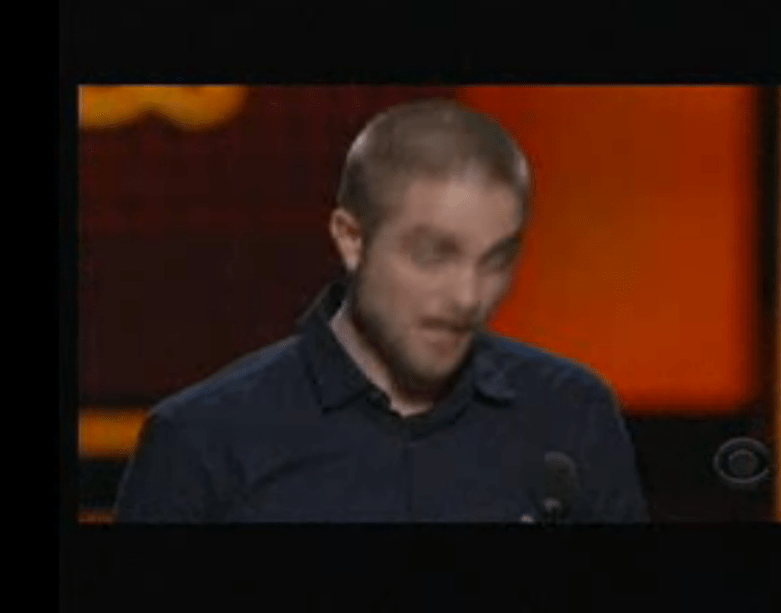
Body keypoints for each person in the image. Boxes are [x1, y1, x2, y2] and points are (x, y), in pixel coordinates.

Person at [113, 99, 649, 523]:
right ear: (351, 238)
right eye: (434, 254)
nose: (469, 297)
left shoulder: (572, 416)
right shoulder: (200, 444)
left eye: (496, 259)